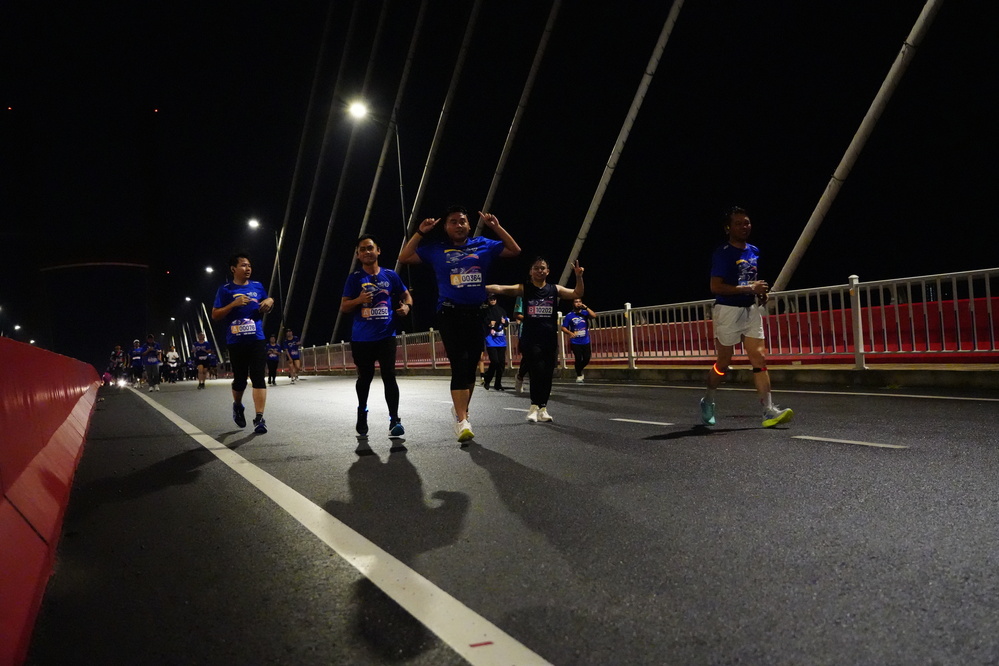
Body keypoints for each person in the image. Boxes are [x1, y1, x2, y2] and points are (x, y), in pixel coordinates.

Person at [398, 205, 521, 443]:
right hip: (449, 313)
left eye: (462, 221)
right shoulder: (437, 249)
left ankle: (461, 410)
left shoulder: (483, 244)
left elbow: (514, 250)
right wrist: (420, 232)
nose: (458, 225)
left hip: (477, 313)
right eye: (453, 221)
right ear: (445, 227)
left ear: (469, 225)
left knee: (472, 365)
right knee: (459, 363)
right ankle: (462, 420)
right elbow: (404, 257)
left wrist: (496, 227)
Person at [701, 206, 793, 428]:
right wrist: (750, 288)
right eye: (738, 223)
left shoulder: (754, 251)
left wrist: (760, 293)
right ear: (728, 228)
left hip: (750, 310)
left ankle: (768, 410)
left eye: (747, 222)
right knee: (723, 363)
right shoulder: (722, 253)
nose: (744, 227)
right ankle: (708, 400)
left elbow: (749, 280)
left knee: (759, 358)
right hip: (728, 311)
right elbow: (716, 287)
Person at [487, 257, 585, 423]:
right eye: (536, 268)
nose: (540, 271)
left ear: (548, 271)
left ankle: (543, 408)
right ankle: (533, 407)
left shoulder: (554, 289)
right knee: (536, 371)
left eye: (543, 268)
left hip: (549, 338)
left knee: (547, 374)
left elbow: (577, 293)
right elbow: (501, 288)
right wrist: (480, 287)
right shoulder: (524, 289)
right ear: (531, 271)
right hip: (531, 338)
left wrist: (578, 276)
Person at [340, 234, 413, 437]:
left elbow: (406, 295)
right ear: (358, 255)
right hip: (362, 339)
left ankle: (394, 419)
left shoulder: (390, 275)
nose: (367, 252)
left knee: (389, 376)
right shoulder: (354, 278)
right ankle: (362, 411)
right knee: (365, 378)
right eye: (362, 249)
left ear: (378, 251)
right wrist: (359, 300)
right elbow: (344, 306)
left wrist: (407, 307)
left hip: (386, 336)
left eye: (370, 248)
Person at [211, 252, 275, 434]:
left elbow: (267, 302)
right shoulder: (225, 290)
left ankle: (259, 418)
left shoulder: (257, 286)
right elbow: (215, 315)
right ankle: (238, 405)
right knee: (240, 379)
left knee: (258, 377)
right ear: (233, 269)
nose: (248, 268)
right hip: (236, 341)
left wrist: (269, 301)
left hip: (257, 339)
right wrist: (233, 304)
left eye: (249, 266)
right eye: (244, 265)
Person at [561, 298, 596, 383]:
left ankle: (578, 368)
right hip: (575, 341)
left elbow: (594, 316)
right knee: (578, 358)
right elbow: (563, 327)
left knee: (587, 358)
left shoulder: (584, 313)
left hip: (585, 340)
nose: (578, 303)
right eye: (576, 302)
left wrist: (586, 307)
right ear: (573, 304)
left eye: (580, 302)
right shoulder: (569, 315)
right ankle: (579, 375)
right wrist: (569, 333)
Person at [482, 294, 510, 390]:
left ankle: (498, 383)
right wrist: (489, 324)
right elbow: (483, 322)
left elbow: (506, 322)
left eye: (494, 299)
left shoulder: (501, 310)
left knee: (501, 364)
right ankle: (487, 379)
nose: (493, 300)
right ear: (488, 300)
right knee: (494, 361)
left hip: (501, 340)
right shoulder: (485, 311)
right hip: (490, 339)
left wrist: (504, 322)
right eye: (491, 299)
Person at [512, 295, 530, 393]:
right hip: (526, 332)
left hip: (541, 331)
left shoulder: (543, 294)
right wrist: (530, 319)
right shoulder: (521, 296)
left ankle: (541, 386)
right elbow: (516, 314)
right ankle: (520, 376)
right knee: (529, 357)